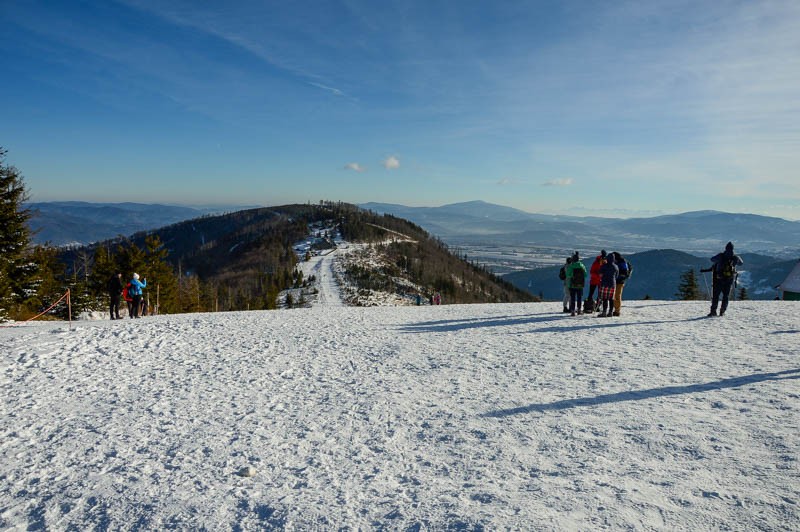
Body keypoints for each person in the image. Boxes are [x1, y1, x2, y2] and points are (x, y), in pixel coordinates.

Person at [702, 242, 743, 317]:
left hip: (719, 278)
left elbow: (712, 259)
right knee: (726, 296)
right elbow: (741, 263)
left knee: (716, 295)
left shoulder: (721, 256)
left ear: (725, 248)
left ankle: (713, 311)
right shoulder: (735, 257)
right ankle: (722, 311)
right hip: (729, 279)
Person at [610, 252, 633, 316]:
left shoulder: (621, 262)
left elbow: (623, 273)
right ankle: (616, 309)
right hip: (618, 281)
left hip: (619, 281)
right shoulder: (621, 261)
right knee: (616, 295)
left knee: (617, 295)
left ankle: (617, 311)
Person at [565, 252, 587, 316]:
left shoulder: (571, 266)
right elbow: (585, 275)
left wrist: (573, 275)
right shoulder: (582, 265)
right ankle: (579, 310)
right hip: (580, 285)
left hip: (572, 285)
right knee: (579, 298)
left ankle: (572, 311)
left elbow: (568, 275)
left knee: (572, 298)